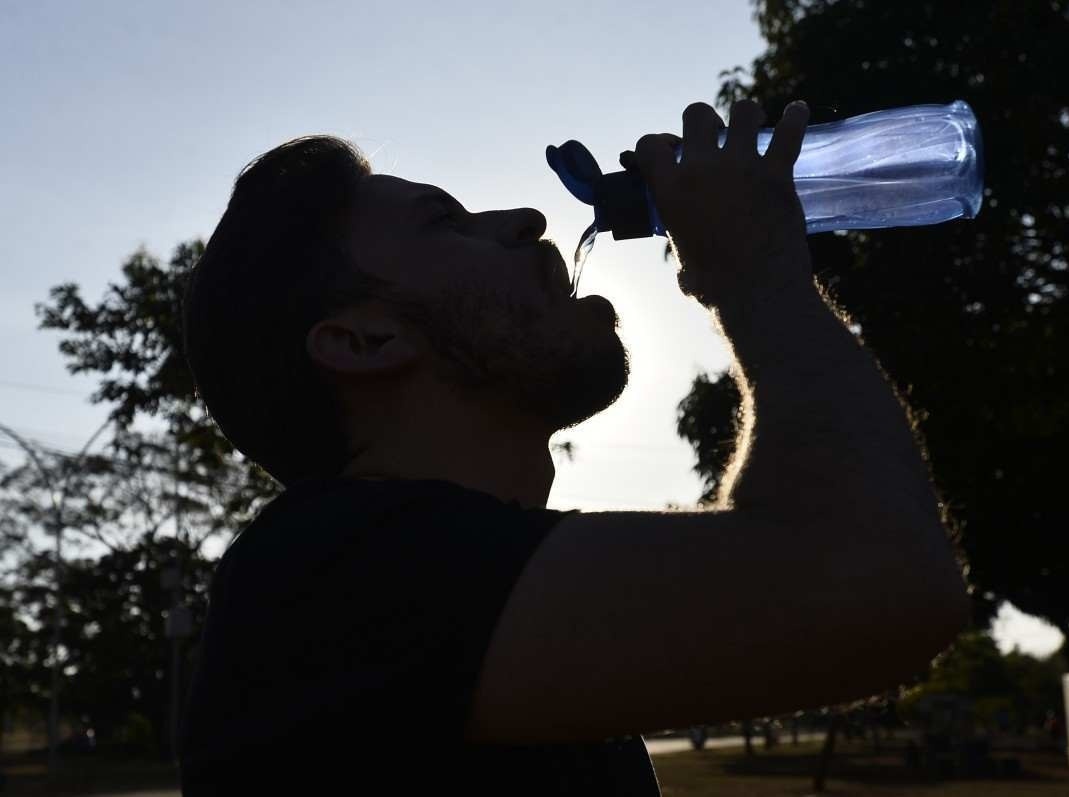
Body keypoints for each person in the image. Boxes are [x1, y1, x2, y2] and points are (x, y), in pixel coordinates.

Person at [177, 99, 968, 795]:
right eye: (444, 222)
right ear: (362, 339)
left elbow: (828, 572)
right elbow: (876, 580)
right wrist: (757, 276)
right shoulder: (329, 585)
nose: (526, 220)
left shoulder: (463, 605)